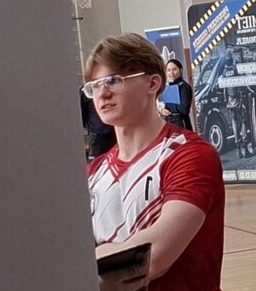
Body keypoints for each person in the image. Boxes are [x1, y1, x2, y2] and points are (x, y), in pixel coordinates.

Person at [85, 33, 225, 291]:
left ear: (152, 83)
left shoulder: (190, 155)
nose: (102, 93)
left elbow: (152, 257)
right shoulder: (93, 173)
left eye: (113, 80)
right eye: (94, 85)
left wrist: (85, 263)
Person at [81, 88, 117, 160]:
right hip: (98, 135)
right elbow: (81, 115)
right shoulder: (86, 91)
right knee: (98, 161)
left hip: (115, 132)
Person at [160, 58, 194, 131]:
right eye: (169, 70)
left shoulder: (184, 86)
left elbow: (184, 109)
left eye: (174, 69)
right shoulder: (168, 87)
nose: (171, 73)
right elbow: (167, 107)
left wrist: (170, 108)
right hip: (170, 124)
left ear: (180, 70)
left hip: (182, 124)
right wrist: (162, 110)